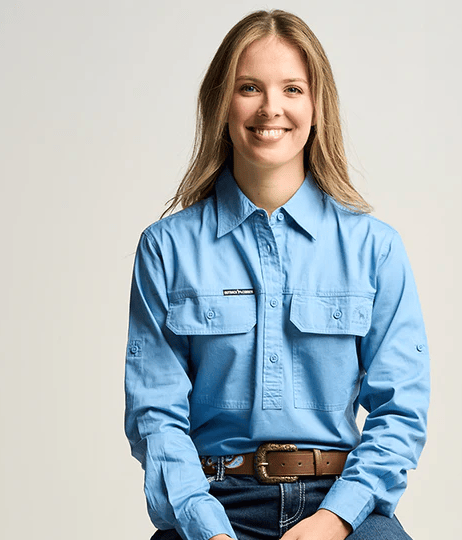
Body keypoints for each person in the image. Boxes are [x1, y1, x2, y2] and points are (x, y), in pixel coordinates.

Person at [124, 9, 430, 540]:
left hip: (340, 503)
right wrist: (207, 528)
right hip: (213, 503)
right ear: (221, 104)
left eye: (292, 89)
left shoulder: (375, 249)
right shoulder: (166, 249)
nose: (271, 108)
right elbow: (156, 414)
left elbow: (400, 408)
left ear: (316, 106)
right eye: (249, 88)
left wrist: (335, 519)